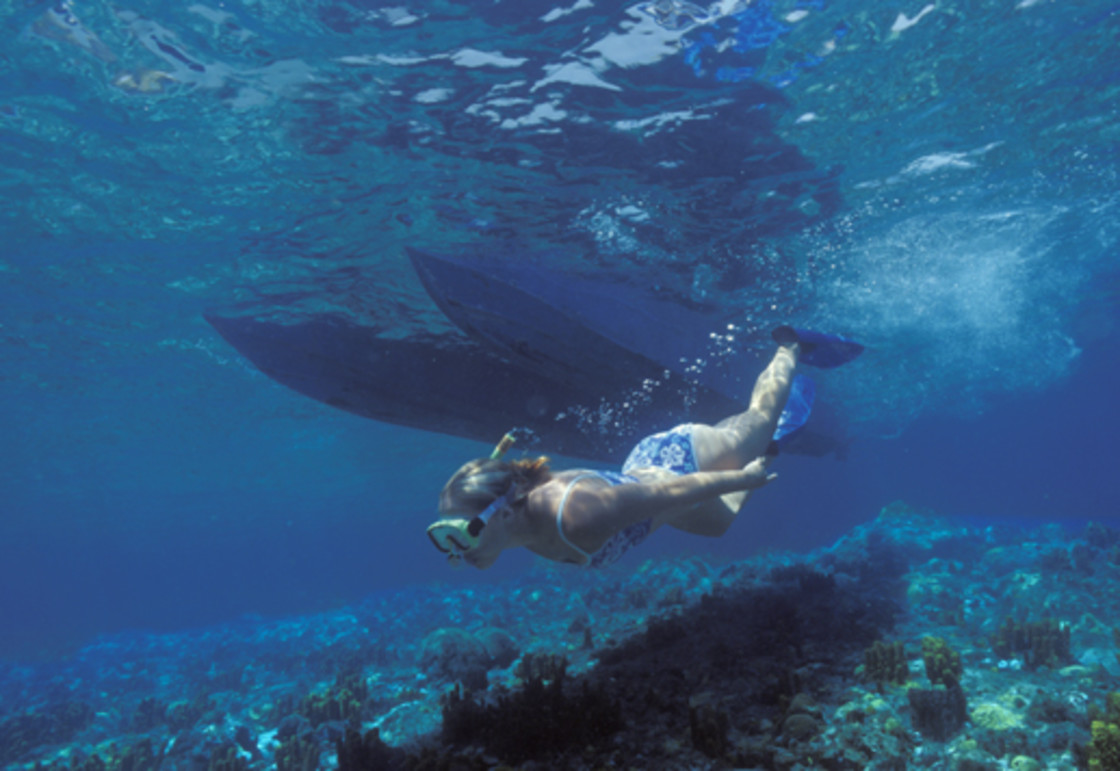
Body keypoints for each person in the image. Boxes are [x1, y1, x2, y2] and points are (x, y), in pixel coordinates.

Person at [426, 326, 862, 569]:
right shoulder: (513, 517)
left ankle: (792, 346)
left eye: (461, 533)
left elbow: (670, 492)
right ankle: (773, 444)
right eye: (444, 536)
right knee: (718, 525)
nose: (454, 549)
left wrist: (744, 478)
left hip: (678, 460)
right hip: (644, 480)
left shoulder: (580, 515)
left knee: (758, 421)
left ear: (501, 512)